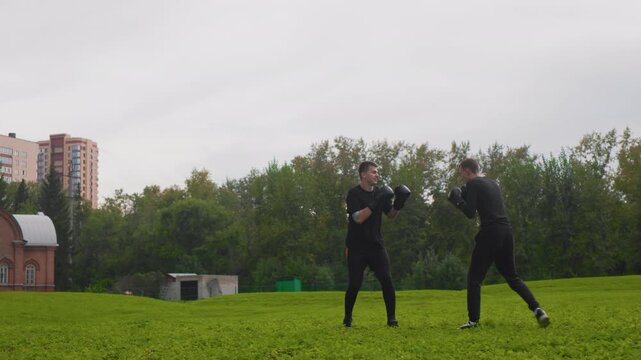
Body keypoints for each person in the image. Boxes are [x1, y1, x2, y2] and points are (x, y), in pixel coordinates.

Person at [448, 158, 550, 329]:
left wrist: (457, 201)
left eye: (461, 173)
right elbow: (483, 201)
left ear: (466, 170)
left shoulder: (473, 184)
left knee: (474, 279)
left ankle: (473, 321)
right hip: (506, 231)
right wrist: (464, 195)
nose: (462, 177)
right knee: (512, 277)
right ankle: (538, 309)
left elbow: (470, 213)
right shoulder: (493, 183)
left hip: (490, 232)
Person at [343, 161, 411, 327]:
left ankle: (392, 319)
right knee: (355, 284)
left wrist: (399, 202)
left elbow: (391, 215)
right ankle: (347, 318)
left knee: (387, 280)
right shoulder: (354, 194)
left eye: (377, 172)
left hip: (376, 245)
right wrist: (375, 202)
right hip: (356, 247)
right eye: (373, 172)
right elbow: (358, 218)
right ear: (363, 174)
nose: (377, 175)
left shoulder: (381, 193)